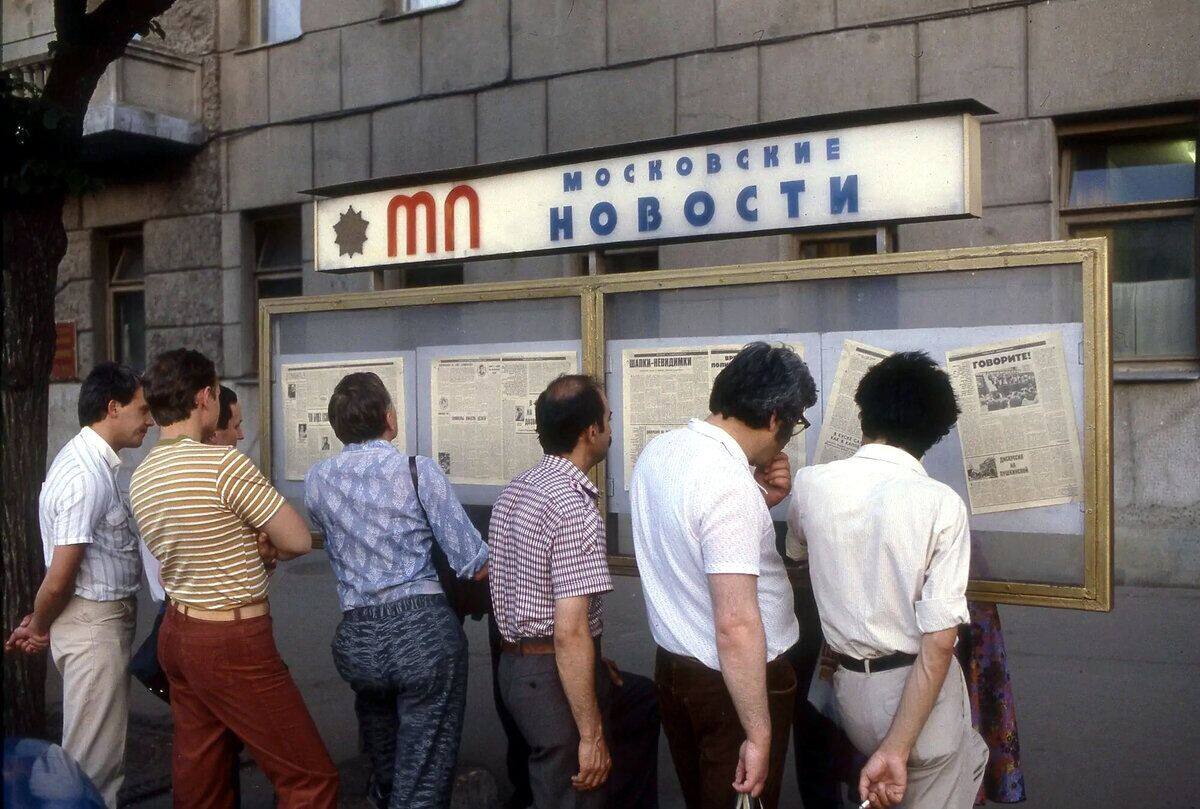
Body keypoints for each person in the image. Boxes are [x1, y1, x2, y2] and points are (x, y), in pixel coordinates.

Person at [129, 349, 338, 808]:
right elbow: (297, 539)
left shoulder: (142, 477)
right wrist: (268, 545)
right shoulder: (223, 464)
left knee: (203, 783)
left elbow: (196, 547)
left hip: (178, 632)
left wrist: (254, 545)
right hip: (233, 639)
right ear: (205, 397)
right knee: (311, 779)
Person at [788, 351, 988, 809]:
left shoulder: (811, 484)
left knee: (968, 756)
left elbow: (797, 554)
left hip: (850, 691)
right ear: (935, 433)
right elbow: (940, 642)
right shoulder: (941, 504)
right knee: (933, 779)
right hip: (917, 697)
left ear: (863, 413)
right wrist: (897, 748)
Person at [630, 342, 816, 809]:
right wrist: (758, 733)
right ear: (775, 418)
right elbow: (735, 623)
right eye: (795, 424)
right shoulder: (728, 482)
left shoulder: (660, 450)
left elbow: (693, 542)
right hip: (736, 686)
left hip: (676, 669)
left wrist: (761, 503)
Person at [304, 372, 488, 809]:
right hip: (422, 635)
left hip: (359, 640)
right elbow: (473, 562)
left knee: (386, 769)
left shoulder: (317, 480)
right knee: (422, 778)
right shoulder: (416, 471)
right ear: (389, 417)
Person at [489, 375, 660, 809]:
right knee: (579, 788)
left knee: (638, 701)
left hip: (516, 669)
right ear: (590, 431)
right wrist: (590, 735)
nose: (611, 429)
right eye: (608, 419)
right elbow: (569, 633)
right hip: (551, 678)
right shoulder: (573, 506)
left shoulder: (516, 490)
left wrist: (592, 661)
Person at [5, 362, 153, 808]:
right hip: (92, 626)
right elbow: (61, 575)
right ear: (113, 407)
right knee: (91, 767)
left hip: (90, 621)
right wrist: (39, 625)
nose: (149, 420)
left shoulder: (91, 464)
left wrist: (41, 621)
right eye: (142, 409)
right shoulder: (85, 474)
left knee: (94, 757)